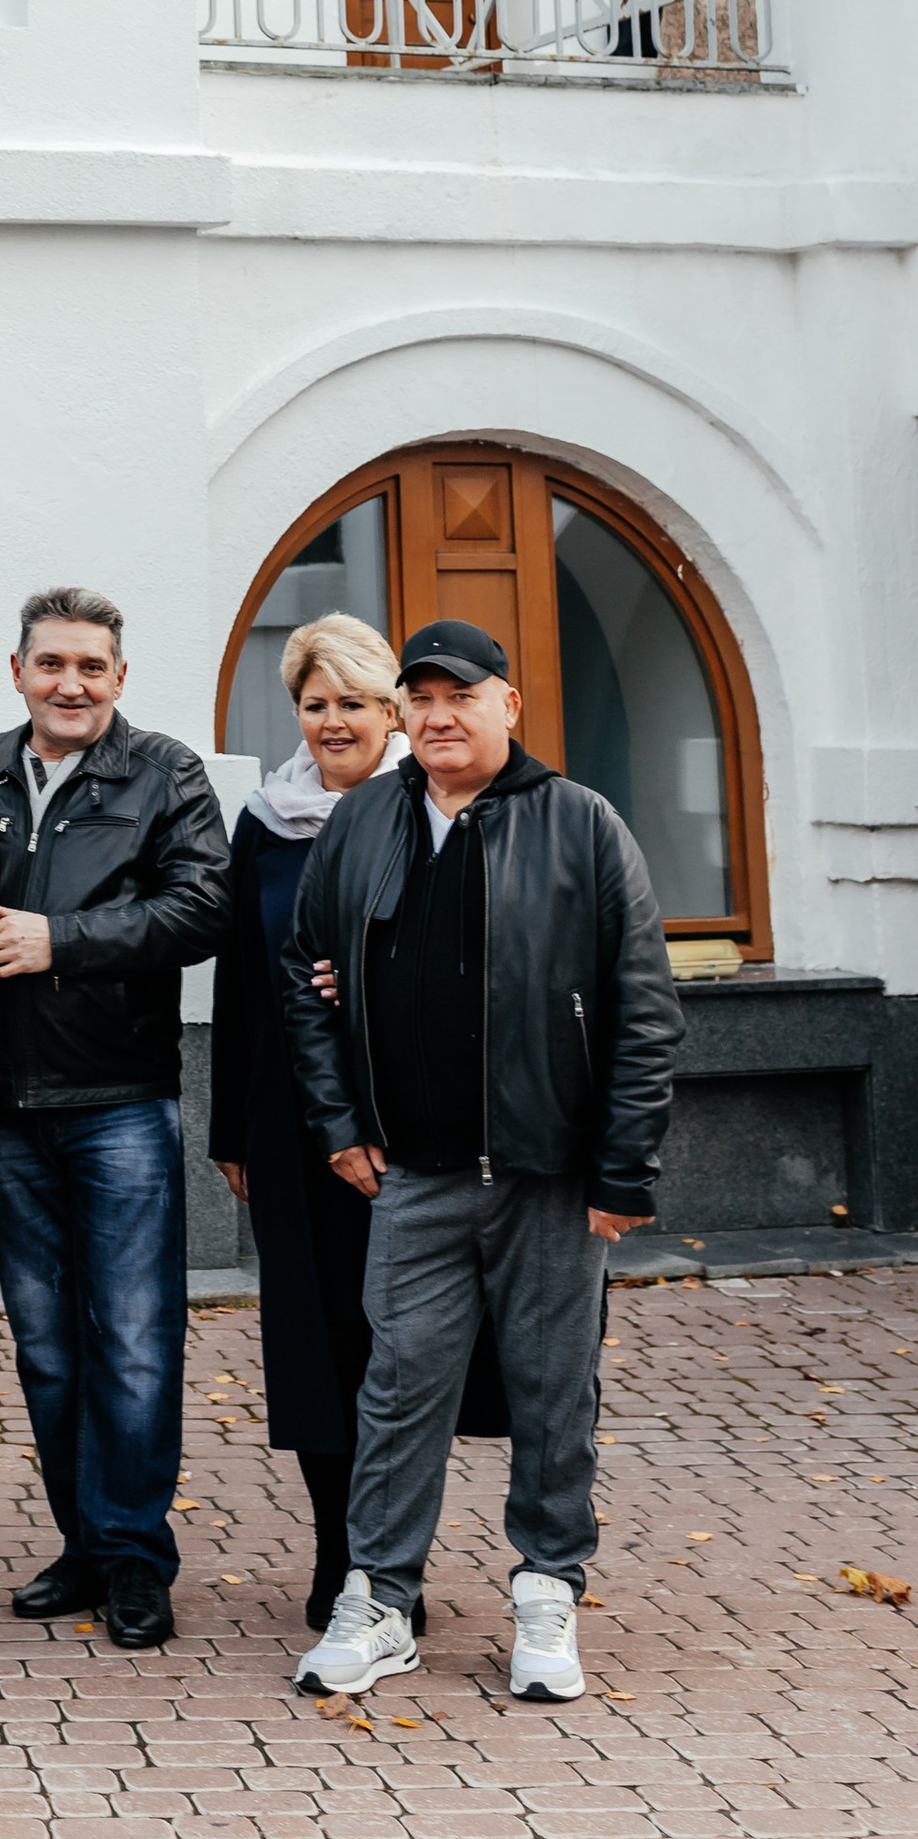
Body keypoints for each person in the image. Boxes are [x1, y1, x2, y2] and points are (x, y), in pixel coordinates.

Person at [284, 618, 684, 1709]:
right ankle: (381, 1601)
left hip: (547, 1175)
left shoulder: (581, 823)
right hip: (412, 1174)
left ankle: (547, 1592)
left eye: (458, 695)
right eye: (418, 698)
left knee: (554, 1394)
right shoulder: (364, 819)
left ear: (508, 704)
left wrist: (623, 1171)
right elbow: (303, 974)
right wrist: (338, 1124)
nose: (437, 716)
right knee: (397, 1391)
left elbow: (644, 1010)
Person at [0, 587, 231, 1653]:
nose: (71, 684)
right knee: (47, 1349)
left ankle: (135, 1556)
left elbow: (202, 907)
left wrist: (61, 939)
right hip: (1, 1104)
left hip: (119, 1104)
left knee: (136, 1344)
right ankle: (85, 1545)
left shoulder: (165, 774)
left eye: (91, 667)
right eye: (52, 664)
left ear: (119, 677)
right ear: (16, 671)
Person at [208, 613, 506, 1634]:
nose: (334, 721)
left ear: (392, 713)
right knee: (317, 1343)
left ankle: (391, 1559)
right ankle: (339, 1552)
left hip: (406, 1119)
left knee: (404, 1341)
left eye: (355, 702)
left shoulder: (428, 810)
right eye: (314, 703)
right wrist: (231, 1129)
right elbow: (243, 981)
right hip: (288, 1120)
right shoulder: (264, 823)